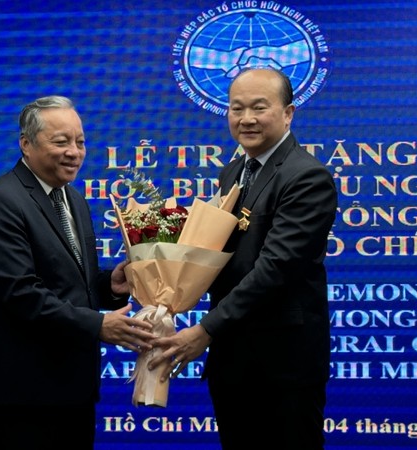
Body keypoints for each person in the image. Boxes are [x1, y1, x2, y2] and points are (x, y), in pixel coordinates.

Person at [149, 68, 338, 449]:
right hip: (233, 359)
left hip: (282, 364)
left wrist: (205, 330)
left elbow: (275, 268)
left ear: (288, 113)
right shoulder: (234, 171)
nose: (246, 119)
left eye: (258, 108)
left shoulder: (307, 177)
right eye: (236, 108)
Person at [0, 95, 154, 449]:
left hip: (74, 386)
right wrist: (98, 325)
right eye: (61, 141)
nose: (74, 152)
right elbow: (20, 294)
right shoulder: (1, 201)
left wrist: (109, 285)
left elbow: (69, 282)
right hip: (22, 391)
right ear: (26, 144)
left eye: (80, 141)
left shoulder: (74, 199)